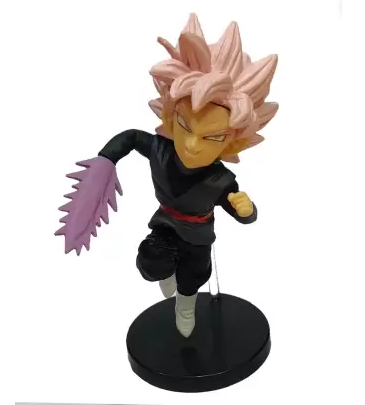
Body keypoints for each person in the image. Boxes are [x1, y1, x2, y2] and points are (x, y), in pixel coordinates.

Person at [56, 13, 278, 338]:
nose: (192, 145)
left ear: (232, 141)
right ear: (172, 117)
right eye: (185, 126)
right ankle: (166, 276)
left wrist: (246, 210)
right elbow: (131, 137)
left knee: (193, 276)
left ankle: (185, 306)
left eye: (212, 137)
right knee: (151, 260)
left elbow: (240, 210)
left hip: (199, 233)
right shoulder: (161, 149)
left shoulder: (219, 179)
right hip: (165, 224)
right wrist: (106, 162)